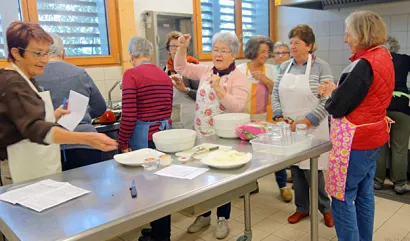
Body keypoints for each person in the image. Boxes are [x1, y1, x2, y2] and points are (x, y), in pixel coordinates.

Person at [0, 21, 117, 185]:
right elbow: (34, 128)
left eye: (46, 53)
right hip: (19, 166)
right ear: (16, 53)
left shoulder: (27, 79)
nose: (44, 60)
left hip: (35, 163)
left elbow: (20, 121)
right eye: (38, 53)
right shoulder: (13, 83)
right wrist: (86, 138)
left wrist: (53, 115)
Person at [319, 11, 394, 241]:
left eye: (348, 33)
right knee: (363, 194)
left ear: (362, 34)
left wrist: (331, 93)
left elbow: (338, 107)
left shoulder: (364, 64)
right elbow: (366, 97)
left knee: (341, 197)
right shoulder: (384, 55)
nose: (345, 39)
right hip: (374, 138)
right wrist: (339, 91)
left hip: (356, 142)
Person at [175, 32, 248, 239]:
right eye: (215, 49)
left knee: (222, 180)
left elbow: (238, 106)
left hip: (224, 139)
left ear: (233, 55)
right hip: (202, 135)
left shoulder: (237, 77)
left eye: (223, 50)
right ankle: (204, 215)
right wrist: (181, 47)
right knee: (203, 178)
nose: (218, 54)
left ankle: (222, 218)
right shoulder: (207, 70)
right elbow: (181, 67)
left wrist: (219, 89)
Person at [271, 24, 334, 227]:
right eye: (291, 42)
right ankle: (302, 208)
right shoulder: (284, 67)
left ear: (309, 45)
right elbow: (275, 94)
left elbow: (327, 99)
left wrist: (307, 121)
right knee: (296, 170)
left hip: (313, 127)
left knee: (312, 171)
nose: (292, 46)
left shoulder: (321, 66)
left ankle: (325, 208)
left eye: (297, 42)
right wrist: (279, 116)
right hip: (289, 128)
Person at [117, 36, 173, 241]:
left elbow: (129, 114)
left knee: (149, 189)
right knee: (160, 189)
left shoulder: (131, 74)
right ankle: (159, 229)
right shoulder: (164, 75)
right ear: (150, 54)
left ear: (131, 55)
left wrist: (122, 143)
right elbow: (167, 109)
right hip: (164, 137)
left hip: (144, 140)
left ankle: (161, 236)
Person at [36, 33, 107, 171]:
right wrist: (81, 115)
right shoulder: (79, 73)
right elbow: (100, 107)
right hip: (86, 142)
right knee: (91, 190)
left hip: (51, 146)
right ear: (63, 52)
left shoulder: (35, 76)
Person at [237, 37, 292, 202]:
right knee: (247, 154)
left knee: (276, 154)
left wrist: (264, 79)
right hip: (246, 120)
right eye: (263, 51)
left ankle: (283, 186)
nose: (266, 55)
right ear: (253, 51)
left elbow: (278, 92)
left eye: (268, 52)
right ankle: (250, 184)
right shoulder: (240, 70)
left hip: (268, 119)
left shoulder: (271, 69)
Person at [374, 36, 410, 194]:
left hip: (381, 106)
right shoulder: (405, 59)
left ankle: (377, 181)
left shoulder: (375, 61)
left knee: (380, 146)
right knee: (400, 147)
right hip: (402, 106)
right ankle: (400, 184)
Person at [165, 31, 199, 129]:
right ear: (168, 49)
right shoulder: (165, 70)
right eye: (173, 46)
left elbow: (202, 96)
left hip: (191, 119)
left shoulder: (192, 69)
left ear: (185, 49)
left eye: (180, 46)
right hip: (173, 119)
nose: (176, 50)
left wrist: (186, 90)